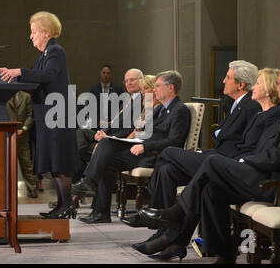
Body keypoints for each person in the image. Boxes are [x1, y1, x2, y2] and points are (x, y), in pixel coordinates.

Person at [137, 65, 280, 263]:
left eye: (279, 84)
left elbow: (279, 157)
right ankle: (224, 256)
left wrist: (245, 161)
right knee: (211, 189)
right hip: (265, 176)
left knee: (213, 162)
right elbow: (268, 151)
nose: (276, 88)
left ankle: (176, 213)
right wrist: (247, 160)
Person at [122, 68, 280, 230]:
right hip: (220, 157)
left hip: (231, 164)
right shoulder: (248, 109)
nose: (223, 81)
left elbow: (245, 147)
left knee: (169, 152)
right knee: (167, 169)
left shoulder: (254, 108)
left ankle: (165, 214)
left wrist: (237, 160)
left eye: (227, 77)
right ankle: (162, 227)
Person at [72, 70, 191, 223]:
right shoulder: (160, 108)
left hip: (152, 155)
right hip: (139, 150)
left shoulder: (179, 109)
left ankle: (88, 182)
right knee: (105, 158)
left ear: (171, 88)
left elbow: (175, 141)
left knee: (106, 145)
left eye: (158, 86)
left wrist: (145, 146)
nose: (154, 90)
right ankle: (101, 212)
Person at [0, 11, 80, 219]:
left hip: (58, 114)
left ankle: (67, 206)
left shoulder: (55, 51)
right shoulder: (43, 55)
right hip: (49, 115)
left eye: (34, 32)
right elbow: (32, 79)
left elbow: (48, 75)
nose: (31, 36)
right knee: (54, 162)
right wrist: (5, 78)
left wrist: (18, 71)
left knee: (60, 161)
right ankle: (62, 205)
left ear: (46, 32)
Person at [74, 68, 144, 184]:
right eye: (126, 81)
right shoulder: (126, 100)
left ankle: (80, 175)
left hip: (118, 141)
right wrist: (102, 132)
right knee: (81, 132)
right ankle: (83, 163)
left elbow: (130, 129)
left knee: (80, 152)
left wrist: (108, 136)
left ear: (141, 81)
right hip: (108, 134)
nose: (128, 83)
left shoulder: (142, 101)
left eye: (132, 80)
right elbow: (114, 122)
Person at [6, 91, 38, 198]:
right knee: (8, 164)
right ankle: (8, 190)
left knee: (26, 163)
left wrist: (24, 129)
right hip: (7, 135)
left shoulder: (26, 96)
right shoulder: (3, 95)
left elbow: (30, 115)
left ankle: (32, 188)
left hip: (23, 136)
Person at [89, 64, 123, 129]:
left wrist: (112, 122)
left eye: (108, 73)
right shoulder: (93, 89)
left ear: (111, 75)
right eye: (104, 73)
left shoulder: (118, 89)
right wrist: (98, 121)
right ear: (100, 74)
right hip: (97, 126)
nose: (106, 75)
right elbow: (90, 109)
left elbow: (121, 108)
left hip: (113, 125)